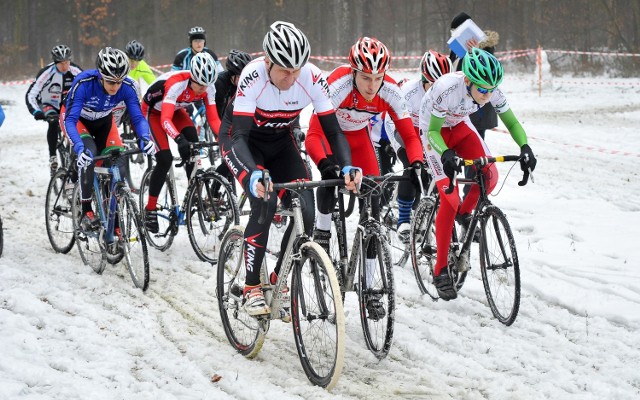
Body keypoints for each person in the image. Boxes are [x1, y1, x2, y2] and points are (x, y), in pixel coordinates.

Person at [221, 21, 360, 316]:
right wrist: (253, 173)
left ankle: (278, 280)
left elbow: (334, 131)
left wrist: (347, 165)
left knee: (306, 212)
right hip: (242, 142)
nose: (291, 76)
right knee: (265, 199)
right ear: (268, 61)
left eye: (297, 69)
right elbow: (239, 136)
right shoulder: (252, 76)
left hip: (281, 142)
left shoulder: (310, 77)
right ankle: (250, 286)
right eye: (284, 69)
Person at [304, 37, 424, 319]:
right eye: (366, 78)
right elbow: (315, 134)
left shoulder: (391, 91)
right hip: (327, 136)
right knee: (329, 177)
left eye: (378, 78)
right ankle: (322, 233)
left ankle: (370, 286)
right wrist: (327, 164)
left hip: (358, 139)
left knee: (373, 204)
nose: (372, 86)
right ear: (353, 71)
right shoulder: (338, 85)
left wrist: (416, 163)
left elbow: (409, 134)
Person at [420, 48, 537, 301]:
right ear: (467, 81)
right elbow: (432, 133)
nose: (487, 95)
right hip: (434, 133)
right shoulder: (447, 88)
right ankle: (441, 268)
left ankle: (465, 214)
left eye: (491, 89)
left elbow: (513, 123)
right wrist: (446, 154)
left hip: (460, 127)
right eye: (482, 89)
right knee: (449, 200)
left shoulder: (491, 90)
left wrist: (525, 147)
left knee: (490, 175)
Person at [62, 47, 156, 230]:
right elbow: (71, 120)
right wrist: (79, 148)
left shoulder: (127, 87)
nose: (115, 86)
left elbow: (137, 117)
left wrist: (145, 138)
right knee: (89, 153)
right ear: (100, 77)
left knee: (116, 156)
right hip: (77, 120)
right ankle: (86, 211)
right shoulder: (84, 83)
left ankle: (112, 216)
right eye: (111, 82)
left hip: (104, 119)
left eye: (119, 82)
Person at [141, 52, 221, 233]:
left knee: (192, 144)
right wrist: (178, 139)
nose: (203, 89)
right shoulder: (176, 83)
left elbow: (214, 120)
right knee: (164, 158)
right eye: (200, 85)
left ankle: (193, 193)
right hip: (153, 112)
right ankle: (150, 209)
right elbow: (165, 120)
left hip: (177, 110)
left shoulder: (209, 87)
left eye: (206, 85)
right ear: (192, 77)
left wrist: (224, 138)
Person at [381, 50, 453, 243]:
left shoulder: (448, 94)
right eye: (432, 85)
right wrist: (397, 146)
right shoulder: (409, 92)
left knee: (439, 170)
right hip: (403, 131)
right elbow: (391, 120)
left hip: (428, 133)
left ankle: (433, 211)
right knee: (412, 166)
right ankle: (403, 219)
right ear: (423, 78)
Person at [25, 45, 82, 175]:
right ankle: (53, 156)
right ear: (55, 62)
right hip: (49, 104)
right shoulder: (46, 73)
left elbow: (88, 86)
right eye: (61, 63)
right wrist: (36, 112)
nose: (65, 66)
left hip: (67, 105)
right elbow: (31, 94)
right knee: (53, 121)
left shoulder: (75, 70)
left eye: (67, 62)